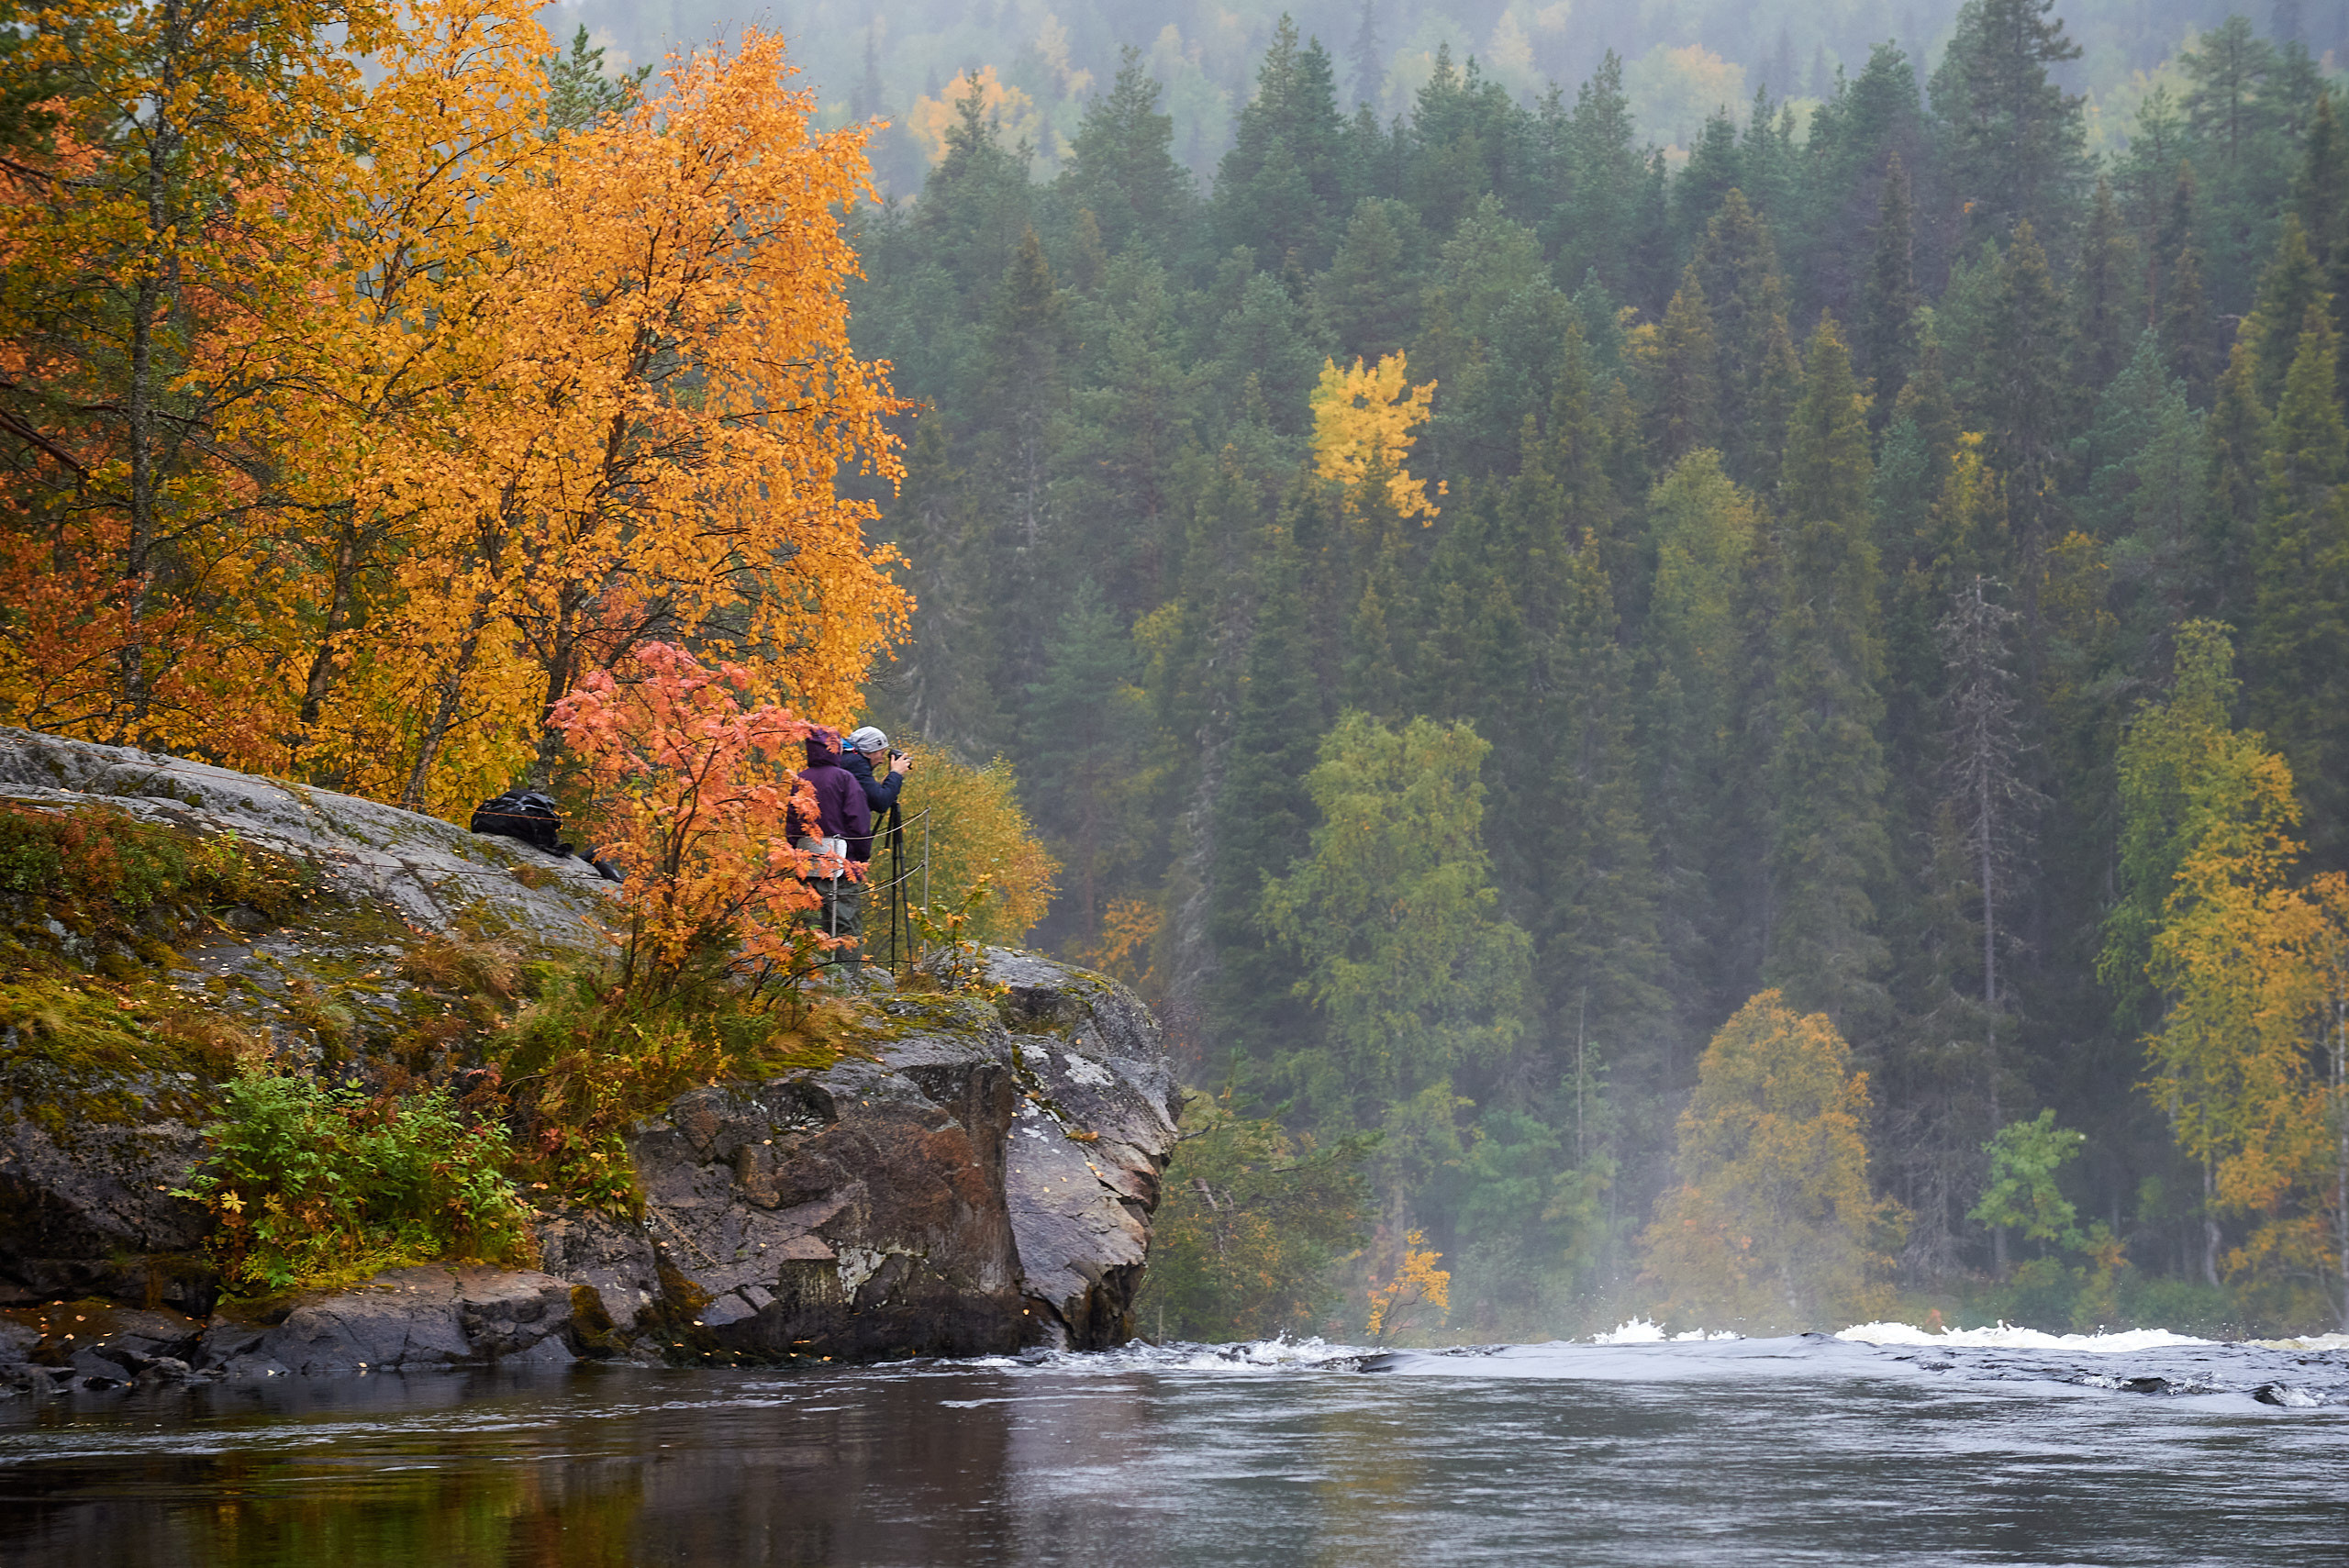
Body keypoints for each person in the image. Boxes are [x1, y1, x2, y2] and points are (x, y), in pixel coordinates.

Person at [788, 728, 872, 954]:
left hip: (807, 865)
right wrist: (861, 858)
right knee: (845, 926)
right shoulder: (845, 779)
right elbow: (859, 823)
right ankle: (846, 983)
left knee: (810, 925)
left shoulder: (800, 779)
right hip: (842, 866)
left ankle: (810, 979)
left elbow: (792, 824)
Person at [841, 726, 912, 865]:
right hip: (846, 850)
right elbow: (880, 802)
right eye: (881, 753)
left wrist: (886, 784)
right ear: (868, 752)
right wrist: (896, 774)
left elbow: (862, 799)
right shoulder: (855, 764)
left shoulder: (847, 760)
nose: (882, 760)